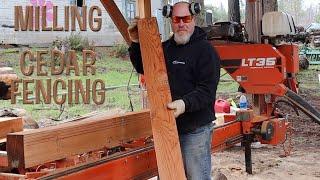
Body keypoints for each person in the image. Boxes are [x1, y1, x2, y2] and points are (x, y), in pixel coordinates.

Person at [127, 2, 220, 179]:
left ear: (193, 19)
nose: (181, 24)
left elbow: (207, 91)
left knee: (196, 177)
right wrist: (136, 43)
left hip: (196, 130)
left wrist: (184, 104)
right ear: (171, 20)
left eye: (186, 18)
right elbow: (144, 67)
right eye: (177, 19)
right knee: (169, 174)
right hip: (168, 127)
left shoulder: (205, 51)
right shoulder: (165, 48)